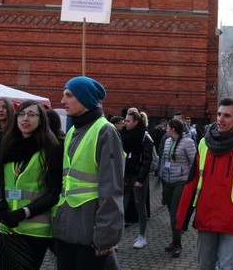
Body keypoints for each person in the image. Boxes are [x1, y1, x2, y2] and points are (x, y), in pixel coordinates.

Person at [176, 97, 233, 270]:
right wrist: (182, 219)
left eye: (226, 115)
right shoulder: (203, 144)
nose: (220, 119)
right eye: (218, 114)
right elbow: (191, 184)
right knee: (205, 266)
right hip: (205, 218)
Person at [53, 76, 125, 270]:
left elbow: (112, 188)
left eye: (69, 95)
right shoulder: (72, 132)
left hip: (90, 236)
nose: (62, 101)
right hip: (68, 231)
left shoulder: (105, 131)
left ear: (85, 99)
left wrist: (105, 235)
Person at [0, 100, 63, 269]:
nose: (25, 119)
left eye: (31, 115)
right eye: (22, 114)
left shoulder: (51, 148)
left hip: (35, 230)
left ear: (41, 119)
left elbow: (54, 192)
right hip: (8, 226)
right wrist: (0, 203)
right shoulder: (7, 145)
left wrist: (24, 212)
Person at [160, 118, 197, 258]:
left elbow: (194, 162)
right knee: (171, 213)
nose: (165, 129)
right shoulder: (168, 141)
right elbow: (164, 159)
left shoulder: (188, 142)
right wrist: (161, 175)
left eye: (167, 127)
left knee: (175, 213)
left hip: (181, 181)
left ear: (173, 129)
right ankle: (174, 240)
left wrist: (190, 181)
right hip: (167, 180)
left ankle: (177, 244)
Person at [121, 109, 153, 249]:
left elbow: (147, 160)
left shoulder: (145, 137)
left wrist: (140, 179)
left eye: (128, 121)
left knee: (140, 205)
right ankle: (117, 237)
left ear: (135, 122)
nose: (125, 123)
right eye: (125, 120)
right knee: (122, 205)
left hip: (138, 175)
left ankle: (142, 236)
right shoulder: (123, 134)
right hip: (126, 174)